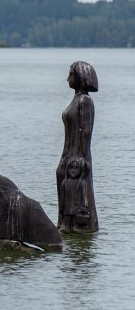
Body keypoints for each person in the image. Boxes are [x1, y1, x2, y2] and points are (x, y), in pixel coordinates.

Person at [56, 61, 99, 233]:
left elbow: (86, 131)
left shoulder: (85, 101)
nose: (67, 79)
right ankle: (64, 224)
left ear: (81, 77)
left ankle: (79, 227)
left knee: (76, 190)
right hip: (68, 154)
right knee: (64, 185)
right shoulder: (76, 99)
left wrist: (80, 158)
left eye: (71, 75)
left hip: (77, 157)